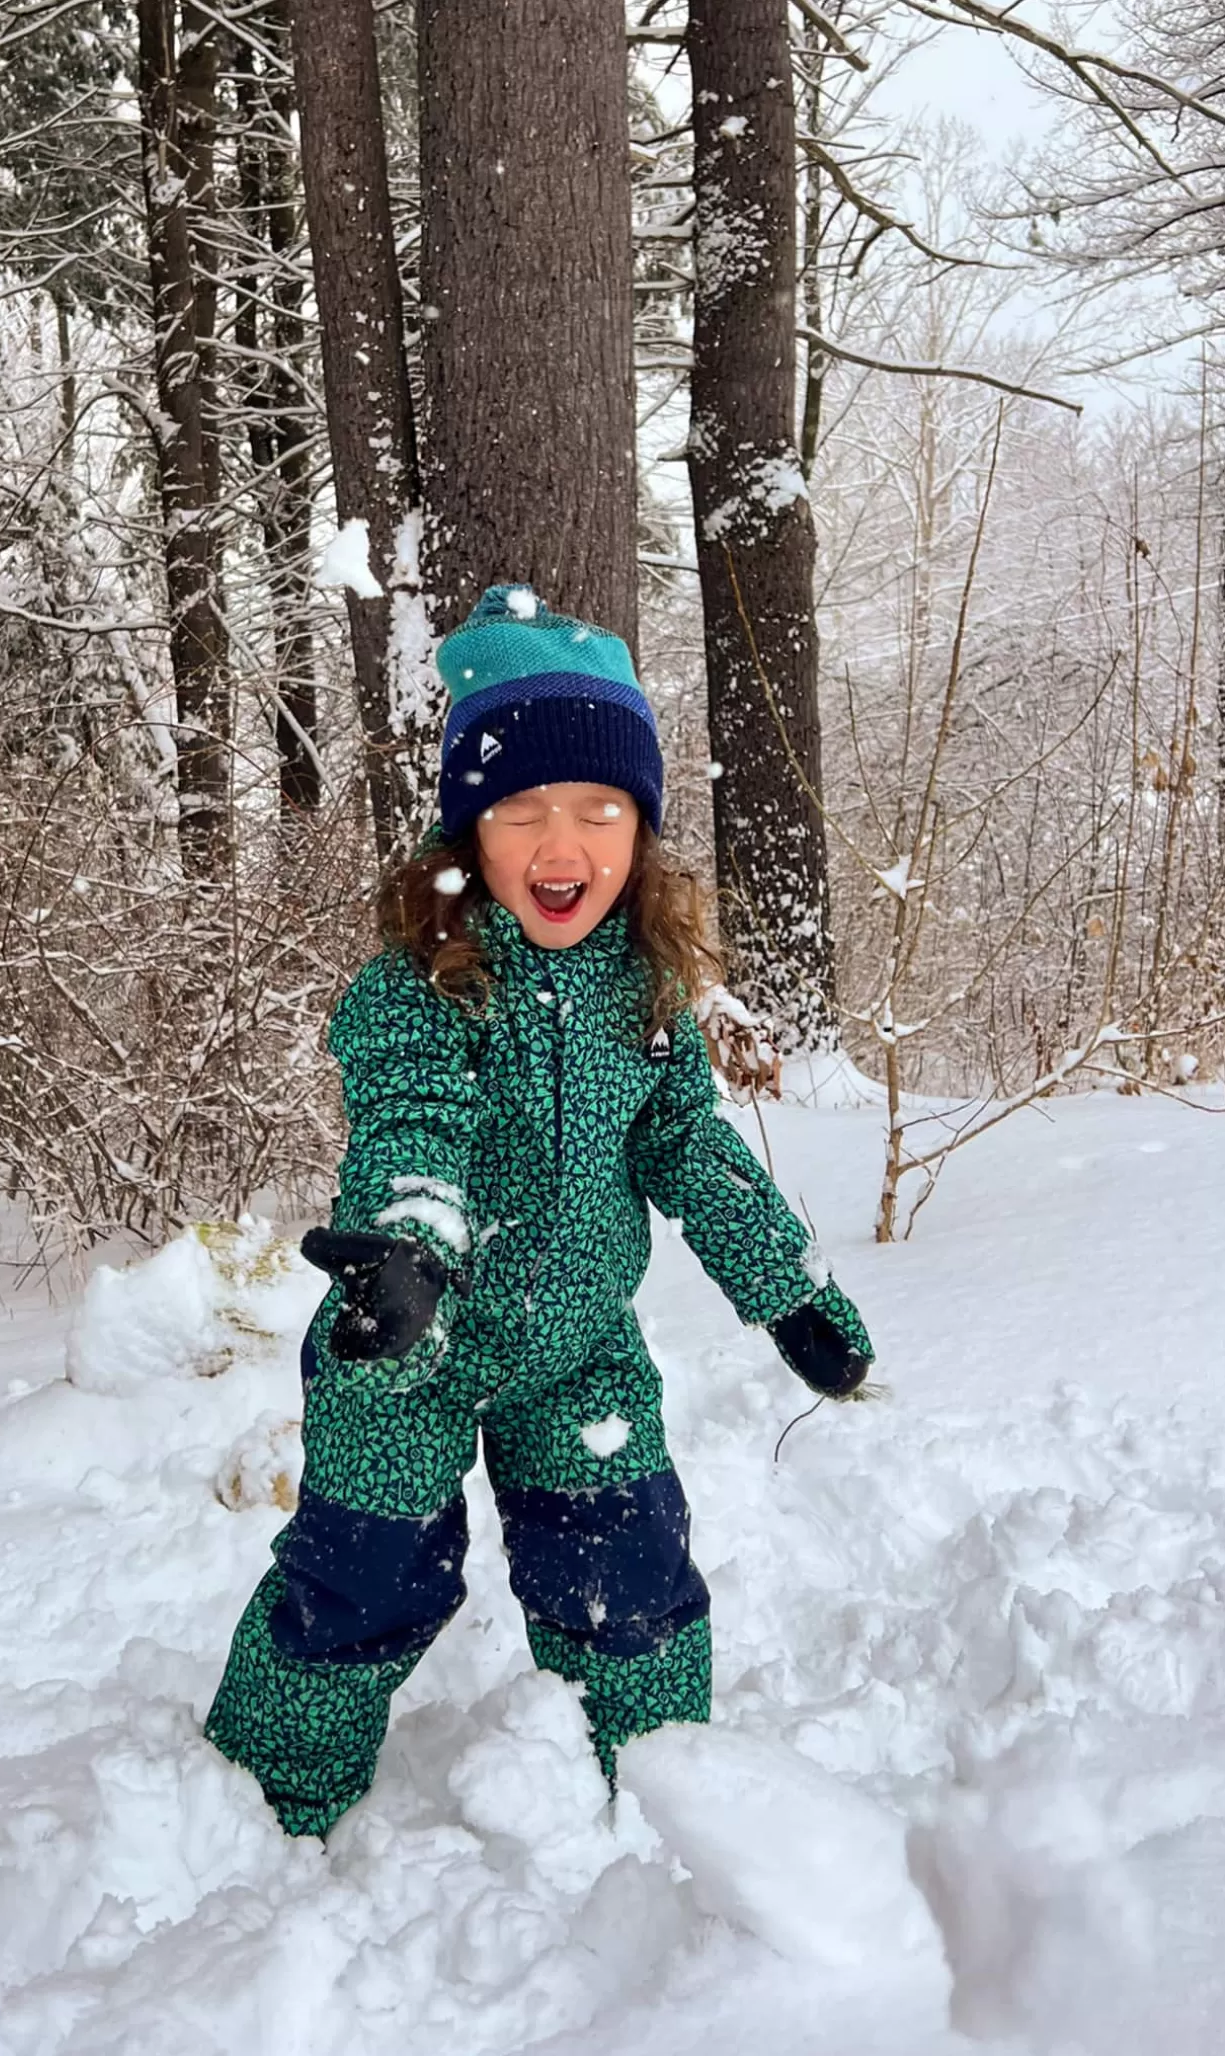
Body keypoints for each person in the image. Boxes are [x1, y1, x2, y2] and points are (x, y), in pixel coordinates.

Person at [204, 584, 873, 1838]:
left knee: (630, 1572)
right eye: (521, 809)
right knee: (364, 1583)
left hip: (577, 1355)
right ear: (472, 828)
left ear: (640, 831)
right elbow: (415, 1133)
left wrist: (787, 1288)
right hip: (406, 1348)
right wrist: (406, 1255)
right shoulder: (419, 989)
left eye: (597, 809)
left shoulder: (649, 990)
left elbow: (690, 1145)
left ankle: (658, 1795)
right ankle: (261, 1802)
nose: (560, 843)